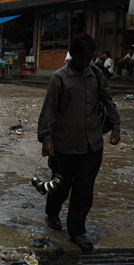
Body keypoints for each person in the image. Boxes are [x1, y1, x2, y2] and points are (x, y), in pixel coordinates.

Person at [37, 33, 121, 251]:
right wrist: (46, 138)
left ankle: (77, 230)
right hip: (64, 145)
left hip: (92, 144)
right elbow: (49, 110)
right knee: (61, 185)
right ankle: (52, 213)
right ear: (72, 55)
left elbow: (108, 101)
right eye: (81, 58)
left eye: (89, 58)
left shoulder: (97, 75)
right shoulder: (59, 78)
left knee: (84, 190)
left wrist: (115, 126)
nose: (85, 63)